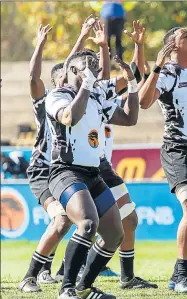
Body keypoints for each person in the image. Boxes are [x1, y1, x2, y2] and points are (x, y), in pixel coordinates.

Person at [46, 50, 139, 299]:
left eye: (94, 64)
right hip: (65, 172)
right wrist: (87, 85)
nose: (93, 67)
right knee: (87, 224)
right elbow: (70, 117)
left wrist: (131, 83)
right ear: (73, 71)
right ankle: (66, 289)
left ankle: (84, 287)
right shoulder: (57, 95)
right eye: (86, 65)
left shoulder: (97, 98)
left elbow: (130, 118)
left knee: (114, 234)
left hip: (92, 173)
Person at [139, 27, 187, 293]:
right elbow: (144, 101)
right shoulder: (168, 73)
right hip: (178, 148)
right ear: (172, 45)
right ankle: (183, 276)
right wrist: (156, 67)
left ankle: (178, 275)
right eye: (185, 35)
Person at [18, 24, 72, 293]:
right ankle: (31, 275)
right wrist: (40, 43)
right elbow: (33, 75)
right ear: (54, 81)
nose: (66, 80)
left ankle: (52, 271)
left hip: (67, 171)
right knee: (62, 220)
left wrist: (85, 37)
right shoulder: (47, 100)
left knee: (79, 219)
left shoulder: (77, 101)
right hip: (43, 170)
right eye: (61, 76)